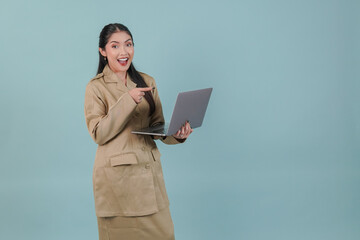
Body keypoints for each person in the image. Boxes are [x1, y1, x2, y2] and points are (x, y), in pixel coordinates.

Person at [84, 23, 192, 240]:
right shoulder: (96, 87)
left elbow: (156, 127)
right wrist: (127, 101)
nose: (124, 52)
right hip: (117, 183)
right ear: (103, 52)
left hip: (149, 179)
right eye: (115, 46)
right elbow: (98, 133)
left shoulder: (147, 81)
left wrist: (177, 135)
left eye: (128, 44)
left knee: (165, 235)